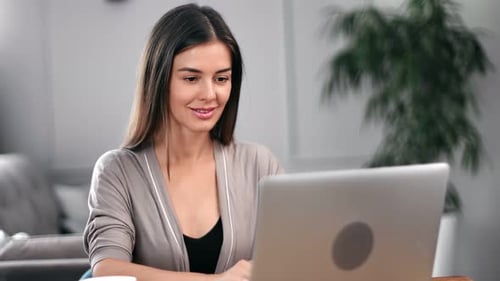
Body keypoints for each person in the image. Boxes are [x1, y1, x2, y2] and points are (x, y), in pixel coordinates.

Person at [83, 3, 283, 281]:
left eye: (222, 78)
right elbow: (107, 269)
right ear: (158, 80)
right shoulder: (117, 171)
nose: (209, 94)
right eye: (191, 78)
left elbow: (289, 256)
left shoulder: (260, 164)